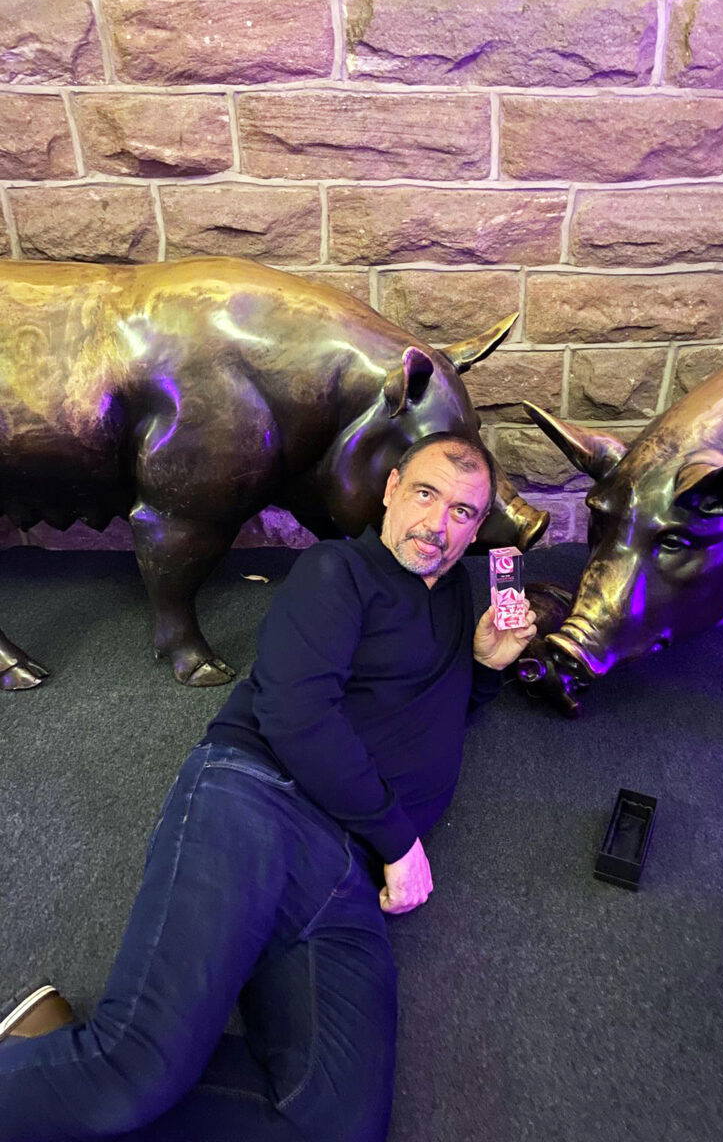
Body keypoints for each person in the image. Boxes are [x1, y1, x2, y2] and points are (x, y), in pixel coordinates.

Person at [0, 432, 537, 1142]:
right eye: (426, 495)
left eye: (464, 513)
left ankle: (46, 1066)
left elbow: (430, 719)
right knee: (133, 1071)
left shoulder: (458, 593)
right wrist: (400, 840)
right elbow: (294, 712)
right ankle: (75, 1077)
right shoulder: (336, 571)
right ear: (392, 488)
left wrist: (487, 667)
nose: (439, 526)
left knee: (335, 1126)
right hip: (257, 798)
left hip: (344, 873)